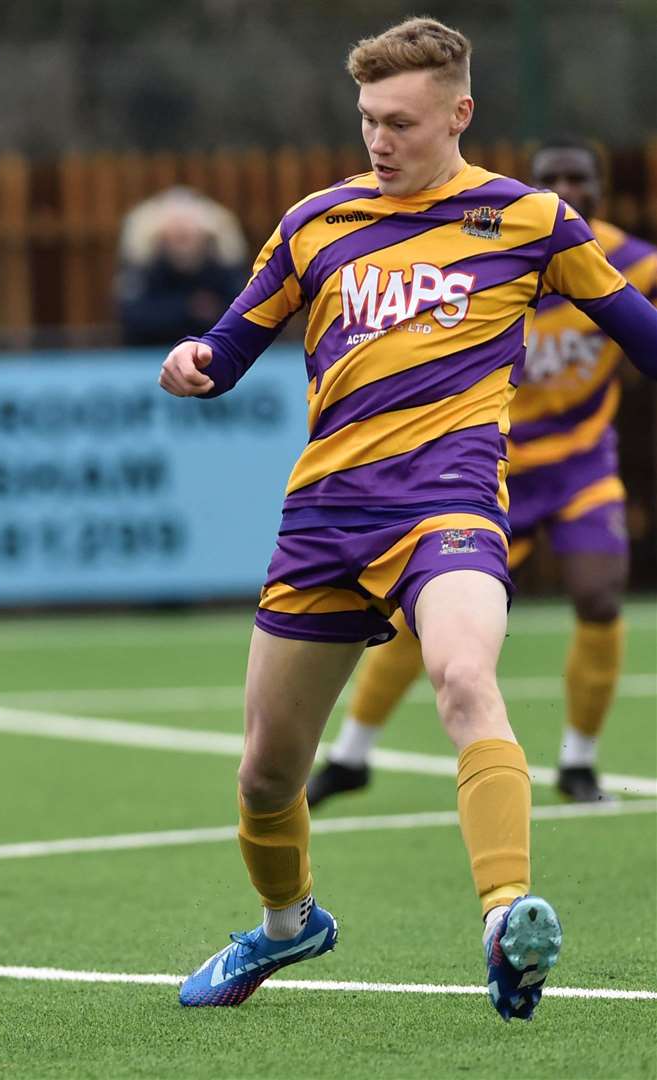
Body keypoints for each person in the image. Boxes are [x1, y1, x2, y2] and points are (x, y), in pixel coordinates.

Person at [158, 17, 657, 1020]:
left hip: (451, 505)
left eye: (399, 122)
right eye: (366, 121)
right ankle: (287, 925)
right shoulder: (315, 222)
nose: (377, 142)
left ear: (459, 115)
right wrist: (191, 367)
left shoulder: (529, 221)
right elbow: (227, 347)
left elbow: (641, 333)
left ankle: (506, 922)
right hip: (325, 520)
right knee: (264, 774)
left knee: (465, 678)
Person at [309, 137, 656, 809]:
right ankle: (351, 753)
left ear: (598, 189)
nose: (565, 187)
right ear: (533, 188)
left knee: (599, 595)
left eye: (577, 177)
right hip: (488, 470)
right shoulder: (494, 250)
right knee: (425, 622)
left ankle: (578, 764)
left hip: (581, 465)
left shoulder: (628, 265)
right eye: (550, 178)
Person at [116, 187, 250, 346]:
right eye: (176, 236)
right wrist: (188, 309)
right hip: (150, 353)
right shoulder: (145, 269)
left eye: (188, 236)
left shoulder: (222, 267)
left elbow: (245, 315)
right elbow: (133, 318)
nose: (183, 245)